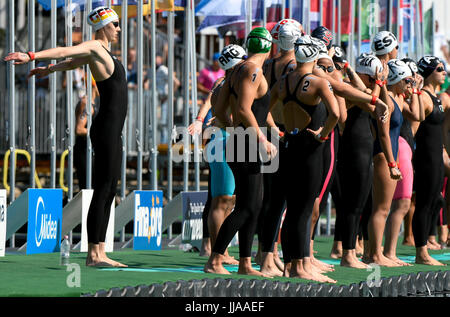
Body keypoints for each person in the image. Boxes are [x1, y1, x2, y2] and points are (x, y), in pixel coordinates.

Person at [5, 6, 128, 267]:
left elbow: (71, 62)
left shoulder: (102, 54)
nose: (119, 29)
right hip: (105, 127)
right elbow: (65, 51)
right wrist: (32, 55)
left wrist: (49, 70)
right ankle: (94, 254)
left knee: (110, 191)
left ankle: (101, 250)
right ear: (103, 25)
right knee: (103, 190)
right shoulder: (95, 46)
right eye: (115, 24)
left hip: (113, 129)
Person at [204, 27, 277, 277]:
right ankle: (215, 259)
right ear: (269, 47)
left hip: (239, 140)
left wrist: (230, 125)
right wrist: (260, 138)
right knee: (246, 207)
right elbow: (245, 109)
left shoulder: (236, 71)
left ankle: (245, 263)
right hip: (247, 143)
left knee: (253, 205)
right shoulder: (253, 70)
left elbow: (219, 108)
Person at [271, 35, 339, 283]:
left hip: (289, 146)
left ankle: (290, 265)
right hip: (310, 149)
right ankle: (300, 266)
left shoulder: (283, 82)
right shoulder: (318, 82)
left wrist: (281, 129)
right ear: (313, 56)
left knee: (292, 209)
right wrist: (324, 133)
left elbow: (266, 109)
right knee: (303, 208)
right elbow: (336, 113)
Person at [257, 19, 302, 277]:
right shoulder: (295, 67)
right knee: (278, 201)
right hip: (282, 133)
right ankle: (268, 258)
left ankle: (268, 254)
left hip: (266, 131)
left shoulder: (267, 64)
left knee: (270, 199)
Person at [412, 56, 448, 265]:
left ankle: (426, 244)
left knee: (436, 201)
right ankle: (421, 252)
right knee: (424, 204)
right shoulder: (424, 97)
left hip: (436, 157)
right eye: (439, 69)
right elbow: (414, 129)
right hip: (425, 159)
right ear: (429, 73)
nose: (444, 72)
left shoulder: (435, 97)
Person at [74, 76, 98, 192]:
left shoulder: (91, 102)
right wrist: (99, 132)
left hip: (88, 149)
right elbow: (79, 129)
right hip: (83, 150)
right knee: (87, 188)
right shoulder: (87, 103)